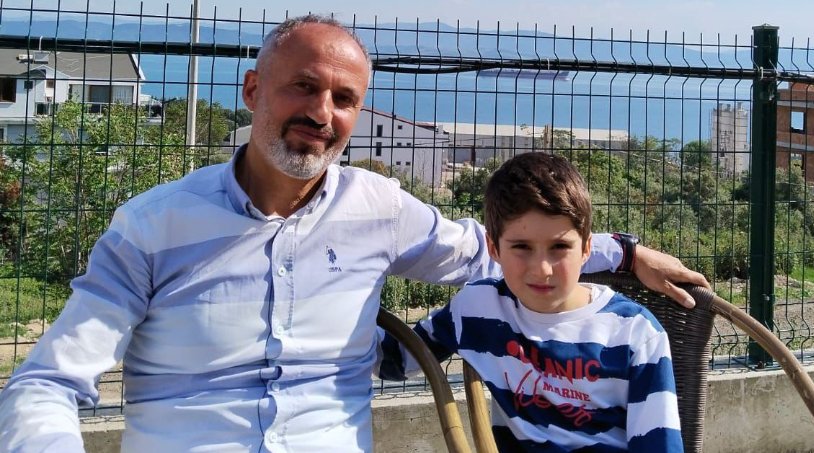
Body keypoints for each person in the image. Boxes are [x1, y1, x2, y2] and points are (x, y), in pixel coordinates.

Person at [0, 14, 706, 453]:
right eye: (302, 87)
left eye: (343, 98)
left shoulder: (378, 208)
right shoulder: (153, 226)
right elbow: (46, 383)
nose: (322, 112)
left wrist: (624, 251)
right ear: (252, 90)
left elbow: (483, 249)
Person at [379, 152, 683, 452]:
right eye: (522, 247)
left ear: (586, 248)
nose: (542, 269)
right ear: (493, 249)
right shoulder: (476, 309)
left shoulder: (635, 333)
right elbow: (394, 360)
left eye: (559, 247)